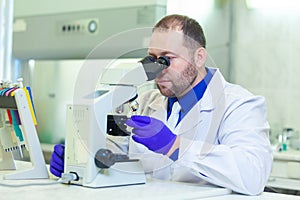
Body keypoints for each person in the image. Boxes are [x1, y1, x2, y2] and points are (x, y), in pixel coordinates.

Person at [50, 14, 273, 195]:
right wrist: (80, 158)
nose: (157, 69)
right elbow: (118, 155)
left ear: (199, 57)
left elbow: (252, 176)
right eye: (153, 60)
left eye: (167, 59)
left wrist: (175, 146)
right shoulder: (146, 102)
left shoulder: (240, 104)